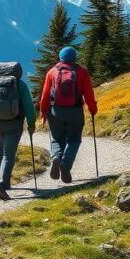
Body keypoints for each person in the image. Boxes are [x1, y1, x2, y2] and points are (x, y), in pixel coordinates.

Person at [0, 62, 37, 201]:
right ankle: (1, 184)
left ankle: (0, 180)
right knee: (9, 155)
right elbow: (29, 106)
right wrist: (31, 124)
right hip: (14, 124)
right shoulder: (20, 85)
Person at [38, 47, 98, 183]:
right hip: (75, 111)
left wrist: (43, 112)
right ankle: (66, 165)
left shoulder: (52, 72)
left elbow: (45, 95)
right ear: (74, 57)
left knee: (56, 138)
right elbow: (89, 93)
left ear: (60, 57)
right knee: (74, 139)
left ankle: (56, 157)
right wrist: (92, 109)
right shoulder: (82, 72)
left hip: (56, 111)